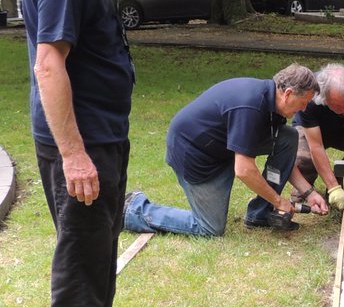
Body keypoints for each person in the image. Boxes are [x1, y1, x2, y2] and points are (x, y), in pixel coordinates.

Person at [22, 0, 178, 307]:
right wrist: (72, 154)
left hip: (104, 135)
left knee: (100, 239)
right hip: (81, 141)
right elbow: (49, 65)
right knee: (81, 244)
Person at [124, 64, 330, 237]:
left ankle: (260, 214)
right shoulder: (251, 106)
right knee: (209, 227)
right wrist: (279, 201)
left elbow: (283, 156)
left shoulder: (272, 104)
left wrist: (308, 192)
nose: (303, 109)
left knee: (287, 137)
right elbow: (244, 170)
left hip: (222, 147)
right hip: (194, 154)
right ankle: (135, 209)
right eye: (303, 103)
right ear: (288, 94)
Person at [290, 63, 344, 210]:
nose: (342, 110)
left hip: (342, 130)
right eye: (336, 106)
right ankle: (304, 189)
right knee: (302, 157)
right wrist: (333, 188)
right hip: (311, 131)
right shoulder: (310, 96)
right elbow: (316, 146)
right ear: (323, 97)